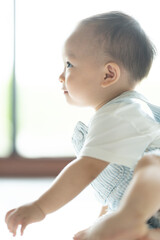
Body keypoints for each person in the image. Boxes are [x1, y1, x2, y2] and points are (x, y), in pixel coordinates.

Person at [5, 11, 160, 239]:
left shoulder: (124, 112)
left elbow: (86, 169)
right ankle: (142, 230)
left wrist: (40, 207)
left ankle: (131, 221)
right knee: (84, 236)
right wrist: (103, 220)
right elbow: (116, 186)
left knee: (152, 166)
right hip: (151, 214)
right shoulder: (115, 117)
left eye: (69, 64)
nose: (61, 76)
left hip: (152, 198)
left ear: (108, 74)